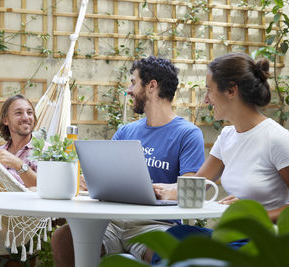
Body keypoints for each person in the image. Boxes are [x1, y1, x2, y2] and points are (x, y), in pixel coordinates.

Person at [152, 53, 289, 263]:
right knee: (175, 237)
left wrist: (253, 216)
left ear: (231, 90)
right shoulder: (227, 137)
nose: (205, 99)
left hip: (262, 239)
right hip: (233, 237)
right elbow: (197, 185)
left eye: (208, 90)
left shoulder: (276, 139)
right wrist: (153, 188)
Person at [50, 56, 206, 266]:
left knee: (169, 252)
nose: (129, 90)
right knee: (63, 239)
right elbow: (104, 176)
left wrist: (159, 190)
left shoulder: (187, 134)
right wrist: (88, 181)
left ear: (151, 86)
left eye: (133, 82)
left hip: (154, 224)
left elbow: (189, 187)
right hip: (111, 222)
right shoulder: (126, 131)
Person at [0, 94, 38, 188]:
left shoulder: (47, 152)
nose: (26, 118)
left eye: (29, 113)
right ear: (5, 120)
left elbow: (49, 188)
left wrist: (19, 165)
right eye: (18, 113)